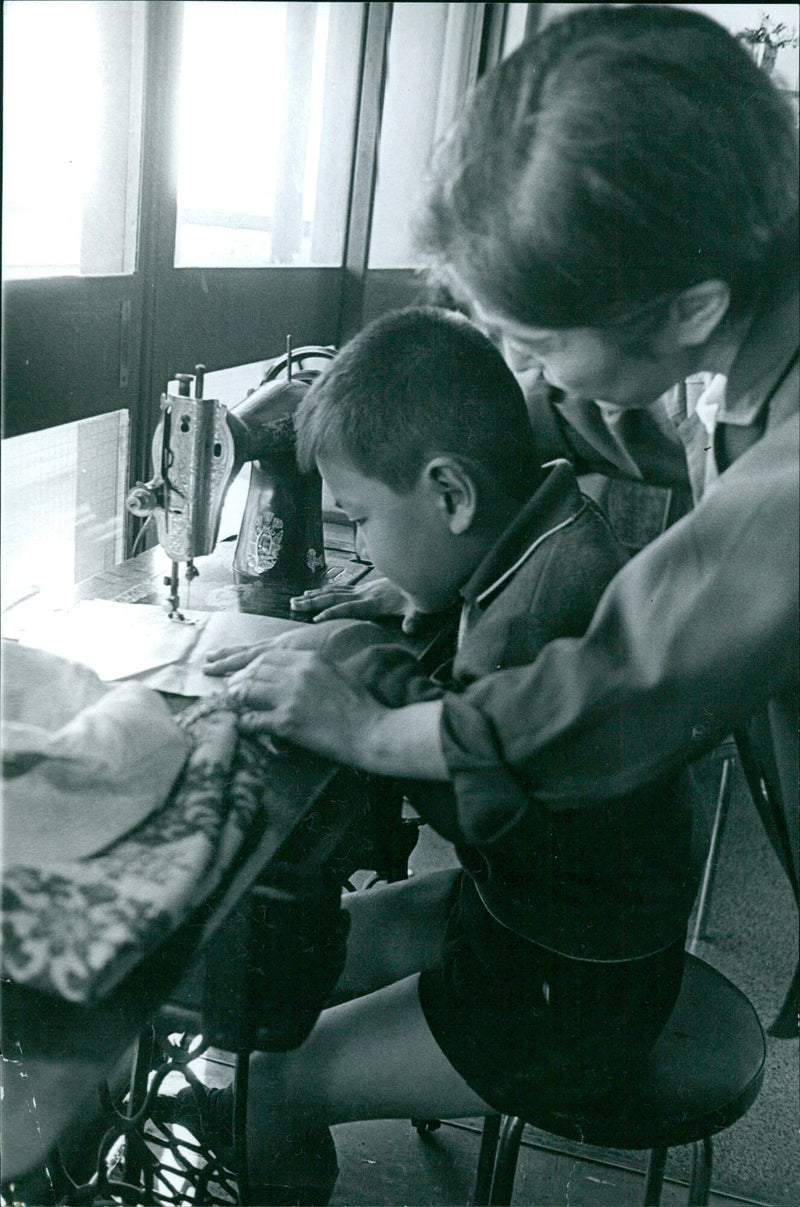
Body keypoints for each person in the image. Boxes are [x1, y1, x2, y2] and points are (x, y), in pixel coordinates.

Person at [225, 5, 799, 1033]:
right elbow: (626, 414)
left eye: (533, 339)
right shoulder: (745, 305)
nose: (529, 368)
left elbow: (620, 686)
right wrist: (419, 414)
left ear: (687, 311)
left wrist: (366, 725)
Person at [162, 304, 700, 1204]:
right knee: (273, 982)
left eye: (364, 520)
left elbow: (481, 807)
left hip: (572, 995)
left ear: (450, 495)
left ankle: (278, 1132)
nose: (359, 546)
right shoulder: (544, 530)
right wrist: (402, 602)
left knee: (257, 1085)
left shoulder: (546, 609)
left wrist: (351, 671)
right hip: (537, 920)